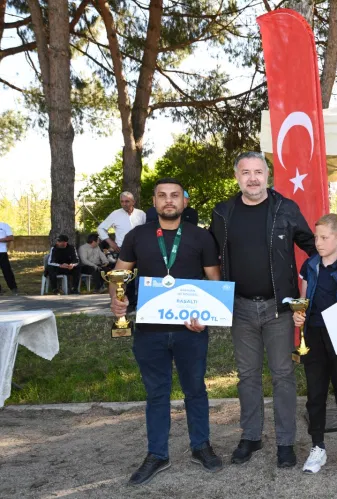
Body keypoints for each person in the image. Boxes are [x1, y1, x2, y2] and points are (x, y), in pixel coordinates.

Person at [110, 178, 223, 485]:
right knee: (156, 393)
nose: (169, 200)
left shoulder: (201, 237)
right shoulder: (137, 235)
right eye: (162, 195)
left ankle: (201, 446)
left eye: (175, 195)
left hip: (191, 330)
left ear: (185, 202)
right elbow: (119, 274)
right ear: (154, 201)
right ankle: (157, 454)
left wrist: (206, 315)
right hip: (149, 330)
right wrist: (116, 300)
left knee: (195, 390)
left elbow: (215, 281)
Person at [210, 151, 315, 468]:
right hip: (240, 308)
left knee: (283, 375)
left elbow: (313, 246)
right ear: (236, 177)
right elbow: (207, 255)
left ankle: (285, 442)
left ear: (267, 175)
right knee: (247, 376)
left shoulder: (286, 208)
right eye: (246, 172)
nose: (252, 178)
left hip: (279, 309)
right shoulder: (223, 213)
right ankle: (251, 436)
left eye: (258, 171)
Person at [292, 214, 337, 474]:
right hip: (314, 335)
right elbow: (302, 301)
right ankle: (318, 447)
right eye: (316, 237)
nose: (318, 243)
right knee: (316, 394)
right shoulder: (309, 266)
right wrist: (298, 315)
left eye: (324, 238)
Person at [0, 220, 18, 295]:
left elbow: (11, 238)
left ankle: (14, 289)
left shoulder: (4, 225)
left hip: (2, 252)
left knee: (7, 271)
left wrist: (0, 240)